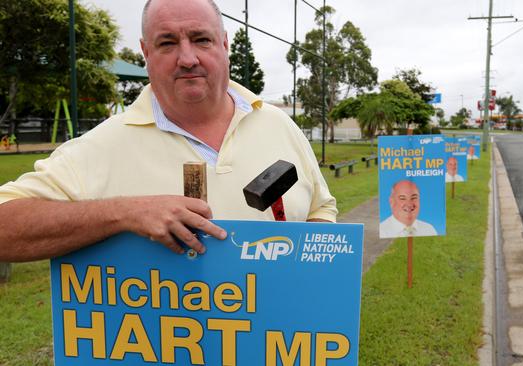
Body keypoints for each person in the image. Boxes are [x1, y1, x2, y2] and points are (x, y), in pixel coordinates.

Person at [0, 0, 336, 262]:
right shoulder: (101, 146)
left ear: (224, 44)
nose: (187, 58)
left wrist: (303, 265)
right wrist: (125, 212)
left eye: (201, 39)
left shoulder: (277, 124)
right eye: (168, 43)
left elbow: (320, 208)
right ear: (146, 52)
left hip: (277, 344)